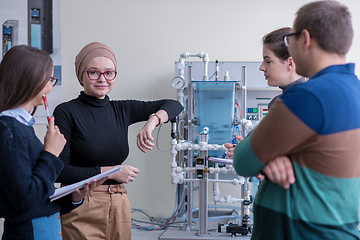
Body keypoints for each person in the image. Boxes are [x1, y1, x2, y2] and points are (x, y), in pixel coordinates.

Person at [233, 1, 360, 239]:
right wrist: (270, 156)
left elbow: (243, 161)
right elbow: (322, 157)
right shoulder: (355, 90)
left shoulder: (309, 97)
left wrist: (264, 155)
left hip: (301, 232)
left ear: (305, 39)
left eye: (290, 39)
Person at [53, 42, 183, 240]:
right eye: (93, 72)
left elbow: (174, 105)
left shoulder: (122, 109)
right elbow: (59, 170)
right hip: (81, 204)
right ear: (81, 74)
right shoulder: (66, 112)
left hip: (119, 203)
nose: (102, 79)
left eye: (109, 72)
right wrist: (110, 172)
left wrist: (152, 121)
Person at [0, 45, 103, 240]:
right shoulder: (9, 127)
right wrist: (50, 153)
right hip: (30, 232)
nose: (51, 86)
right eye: (50, 79)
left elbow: (38, 194)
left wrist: (73, 197)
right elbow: (24, 199)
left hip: (45, 228)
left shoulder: (20, 126)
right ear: (31, 79)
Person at [226, 27, 306, 194]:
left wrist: (248, 155)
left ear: (290, 63)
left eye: (268, 61)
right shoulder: (292, 100)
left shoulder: (290, 104)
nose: (262, 67)